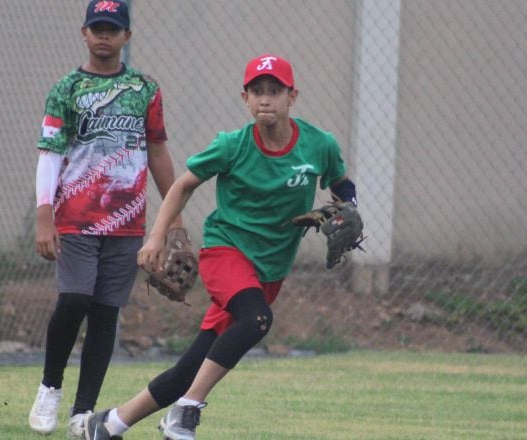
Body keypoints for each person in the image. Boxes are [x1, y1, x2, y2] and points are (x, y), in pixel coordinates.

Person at [83, 54, 357, 440]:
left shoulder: (318, 145)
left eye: (275, 91)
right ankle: (187, 411)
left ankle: (109, 423)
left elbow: (341, 184)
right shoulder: (232, 146)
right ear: (244, 98)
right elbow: (182, 185)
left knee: (191, 367)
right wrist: (158, 237)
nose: (265, 99)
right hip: (226, 252)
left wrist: (350, 207)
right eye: (256, 91)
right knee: (257, 320)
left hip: (269, 269)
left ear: (292, 96)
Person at [28, 1, 181, 437]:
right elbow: (50, 152)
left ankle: (83, 410)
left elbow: (157, 151)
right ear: (83, 32)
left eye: (112, 29)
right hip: (75, 216)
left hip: (128, 219)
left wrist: (174, 216)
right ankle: (50, 387)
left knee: (105, 312)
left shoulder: (145, 89)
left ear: (126, 37)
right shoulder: (67, 88)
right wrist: (44, 215)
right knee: (74, 299)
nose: (104, 36)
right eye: (97, 27)